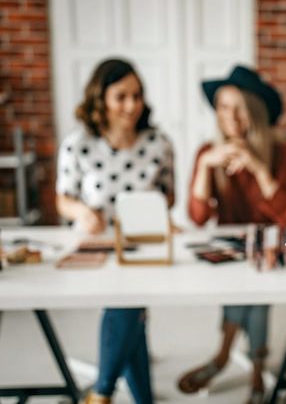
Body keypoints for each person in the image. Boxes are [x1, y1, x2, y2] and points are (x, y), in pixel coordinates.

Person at [177, 65, 286, 404]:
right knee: (247, 290)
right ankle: (253, 368)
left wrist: (258, 168)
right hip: (232, 252)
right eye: (222, 106)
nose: (228, 116)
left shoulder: (280, 153)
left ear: (255, 112)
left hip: (271, 251)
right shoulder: (208, 153)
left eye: (237, 106)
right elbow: (198, 218)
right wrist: (205, 167)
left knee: (255, 290)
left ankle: (225, 357)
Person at [56, 58, 175, 404]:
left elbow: (169, 197)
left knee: (129, 306)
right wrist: (81, 210)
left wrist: (159, 215)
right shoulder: (77, 144)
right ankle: (105, 392)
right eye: (121, 96)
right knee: (129, 307)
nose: (132, 105)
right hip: (95, 247)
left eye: (137, 95)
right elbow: (63, 200)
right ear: (101, 99)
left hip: (143, 246)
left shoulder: (158, 143)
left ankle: (104, 394)